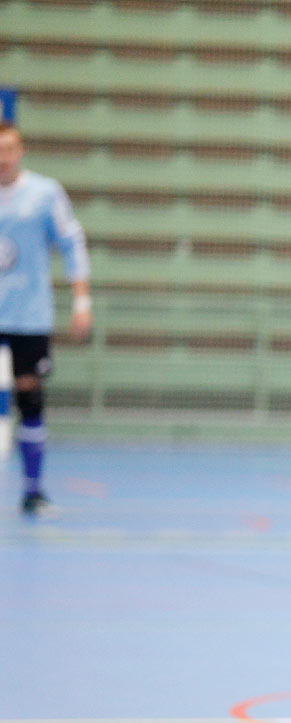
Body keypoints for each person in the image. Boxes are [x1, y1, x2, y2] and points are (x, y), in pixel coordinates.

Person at [0, 120, 91, 516]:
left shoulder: (44, 194)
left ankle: (33, 490)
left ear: (21, 151)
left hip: (29, 316)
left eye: (10, 149)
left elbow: (72, 243)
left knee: (30, 398)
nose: (4, 158)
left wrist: (82, 301)